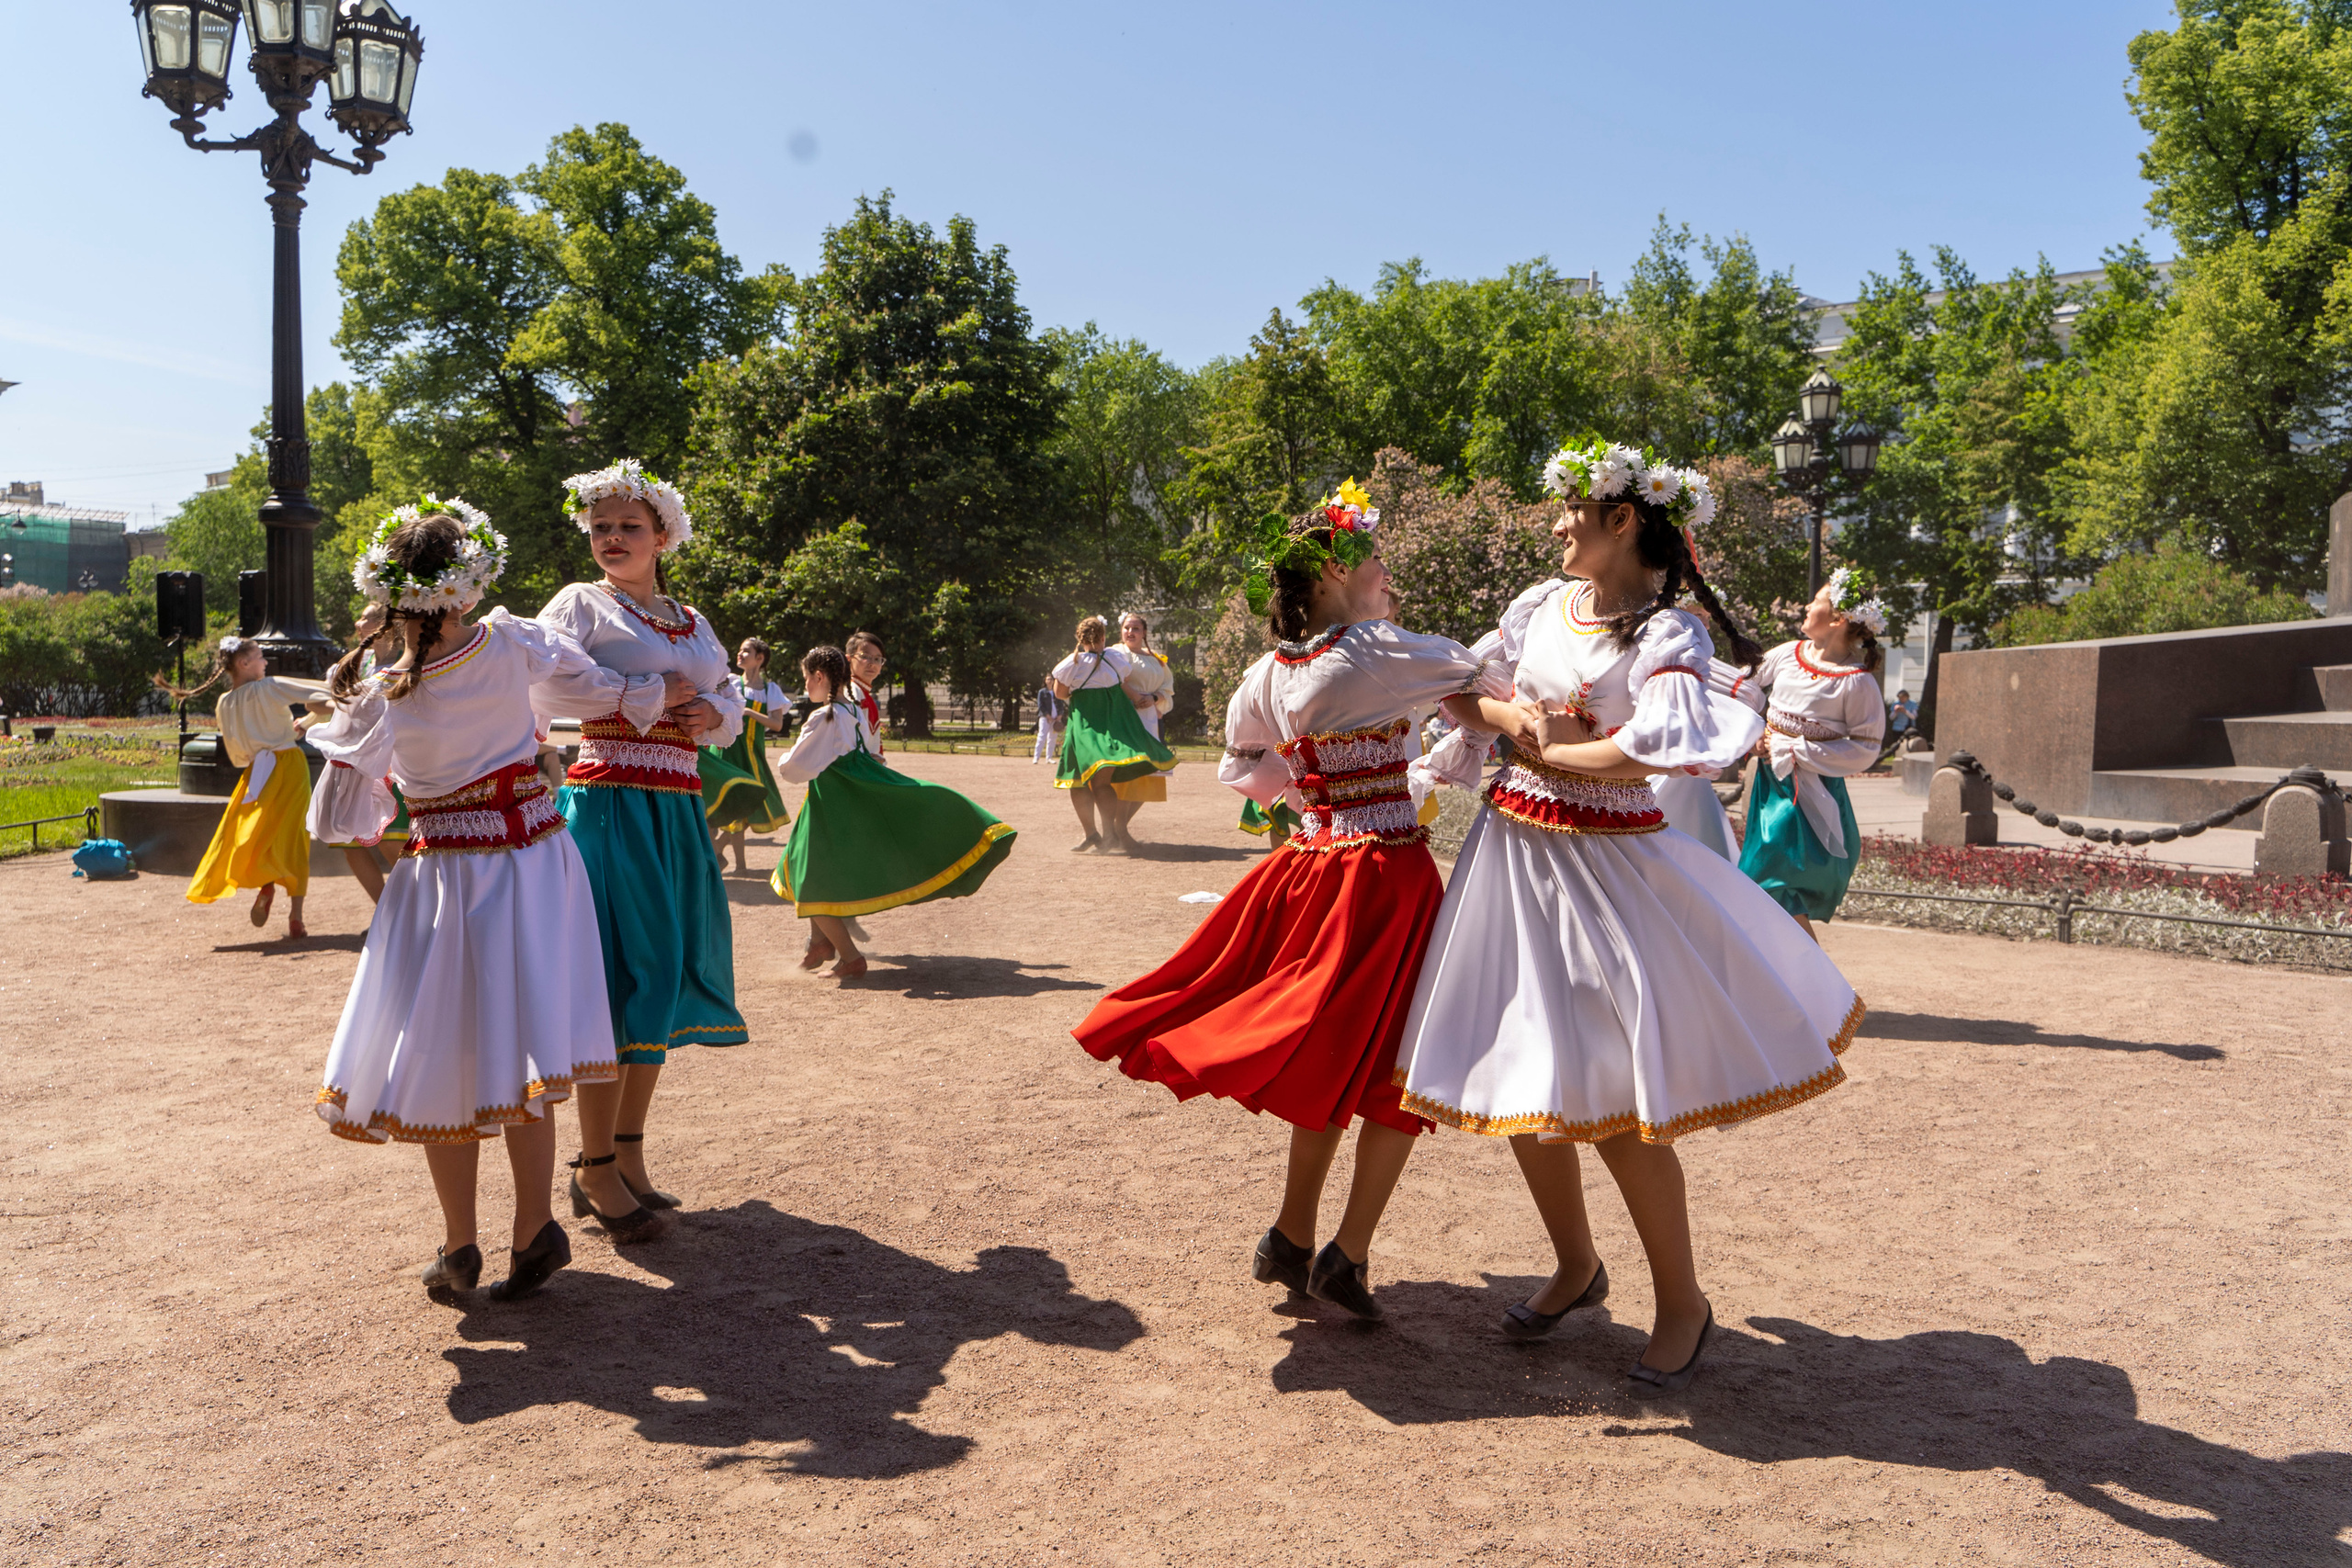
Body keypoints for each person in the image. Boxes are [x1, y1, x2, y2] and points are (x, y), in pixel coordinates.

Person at [1398, 439, 1863, 1393]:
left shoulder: (1667, 635)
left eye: (1573, 509)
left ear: (1622, 520)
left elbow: (1648, 756)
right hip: (1513, 854)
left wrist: (1550, 751)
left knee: (1612, 1103)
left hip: (1605, 869)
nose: (1557, 523)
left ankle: (1682, 1300)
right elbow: (1460, 693)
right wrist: (1517, 727)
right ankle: (1576, 1265)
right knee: (1513, 1073)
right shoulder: (1539, 606)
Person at [1072, 479, 1508, 1320]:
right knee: (1401, 1067)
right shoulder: (1375, 652)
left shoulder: (1270, 671)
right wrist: (1483, 735)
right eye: (1377, 558)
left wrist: (1316, 801)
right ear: (1337, 568)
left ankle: (1294, 1233)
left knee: (1338, 1054)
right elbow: (1477, 674)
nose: (1388, 573)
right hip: (1383, 874)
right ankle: (1340, 1249)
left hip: (1314, 862)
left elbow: (1243, 765)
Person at [310, 500, 679, 1303]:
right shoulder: (511, 641)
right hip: (531, 861)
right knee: (528, 1043)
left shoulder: (381, 691)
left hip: (440, 876)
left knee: (449, 1051)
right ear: (470, 587)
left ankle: (458, 1244)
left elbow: (344, 819)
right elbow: (610, 691)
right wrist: (669, 686)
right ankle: (532, 1228)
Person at [537, 459, 747, 1215]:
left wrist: (708, 715)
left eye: (628, 526)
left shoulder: (690, 620)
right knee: (615, 981)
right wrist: (653, 694)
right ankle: (594, 1164)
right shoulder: (582, 604)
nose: (612, 538)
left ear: (664, 536)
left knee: (658, 976)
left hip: (676, 806)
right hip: (610, 801)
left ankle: (627, 1149)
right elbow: (546, 683)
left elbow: (727, 695)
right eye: (600, 528)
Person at [769, 645, 1018, 980]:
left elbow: (795, 768)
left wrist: (785, 760)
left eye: (805, 680)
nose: (805, 688)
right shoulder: (853, 711)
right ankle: (820, 945)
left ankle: (850, 956)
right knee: (813, 868)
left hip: (833, 806)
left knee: (810, 881)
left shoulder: (825, 716)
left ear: (818, 676)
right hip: (845, 802)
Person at [1737, 568, 1891, 937]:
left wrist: (1795, 748)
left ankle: (1812, 979)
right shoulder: (1789, 654)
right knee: (1768, 886)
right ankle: (1799, 978)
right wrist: (1752, 735)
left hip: (1809, 791)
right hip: (1770, 784)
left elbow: (1865, 747)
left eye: (1817, 601)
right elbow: (1743, 688)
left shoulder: (1855, 681)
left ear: (1838, 618)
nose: (1807, 606)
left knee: (1766, 880)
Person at [180, 634, 327, 937]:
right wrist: (309, 720)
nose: (265, 661)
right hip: (288, 765)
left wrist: (278, 735)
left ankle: (266, 885)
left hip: (256, 772)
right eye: (260, 656)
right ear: (244, 663)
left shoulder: (225, 702)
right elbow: (324, 695)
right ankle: (296, 916)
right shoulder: (269, 687)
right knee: (293, 835)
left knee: (257, 833)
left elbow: (237, 753)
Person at [305, 600, 411, 901]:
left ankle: (412, 912)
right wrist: (313, 716)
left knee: (392, 845)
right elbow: (327, 704)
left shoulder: (401, 664)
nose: (357, 624)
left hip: (388, 765)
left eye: (364, 619)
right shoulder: (358, 664)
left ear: (383, 626)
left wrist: (337, 705)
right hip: (355, 765)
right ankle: (385, 912)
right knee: (351, 848)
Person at [1052, 616, 1178, 854]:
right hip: (1109, 727)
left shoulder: (1072, 662)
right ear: (1103, 637)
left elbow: (1060, 693)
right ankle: (1109, 833)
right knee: (1102, 784)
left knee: (1077, 783)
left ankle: (1091, 834)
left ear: (1080, 638)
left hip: (1082, 728)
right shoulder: (1115, 659)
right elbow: (1124, 681)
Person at [702, 636, 792, 875]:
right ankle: (739, 865)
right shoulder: (731, 682)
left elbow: (776, 724)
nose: (740, 655)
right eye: (740, 650)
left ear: (760, 658)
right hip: (727, 751)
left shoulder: (771, 689)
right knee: (733, 806)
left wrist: (749, 711)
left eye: (746, 651)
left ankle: (720, 850)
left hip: (752, 754)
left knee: (747, 806)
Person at [845, 632, 888, 753]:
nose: (872, 664)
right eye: (865, 656)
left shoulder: (864, 694)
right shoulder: (852, 692)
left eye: (877, 659)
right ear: (848, 659)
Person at [1031, 680, 1065, 764]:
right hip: (1045, 718)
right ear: (1045, 681)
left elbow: (1061, 704)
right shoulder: (1042, 692)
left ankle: (1049, 758)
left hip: (1055, 718)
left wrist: (1060, 715)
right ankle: (1036, 757)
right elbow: (1040, 705)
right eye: (1048, 679)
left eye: (1051, 679)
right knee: (1042, 737)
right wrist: (1047, 716)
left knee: (1052, 738)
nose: (1050, 681)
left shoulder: (1056, 691)